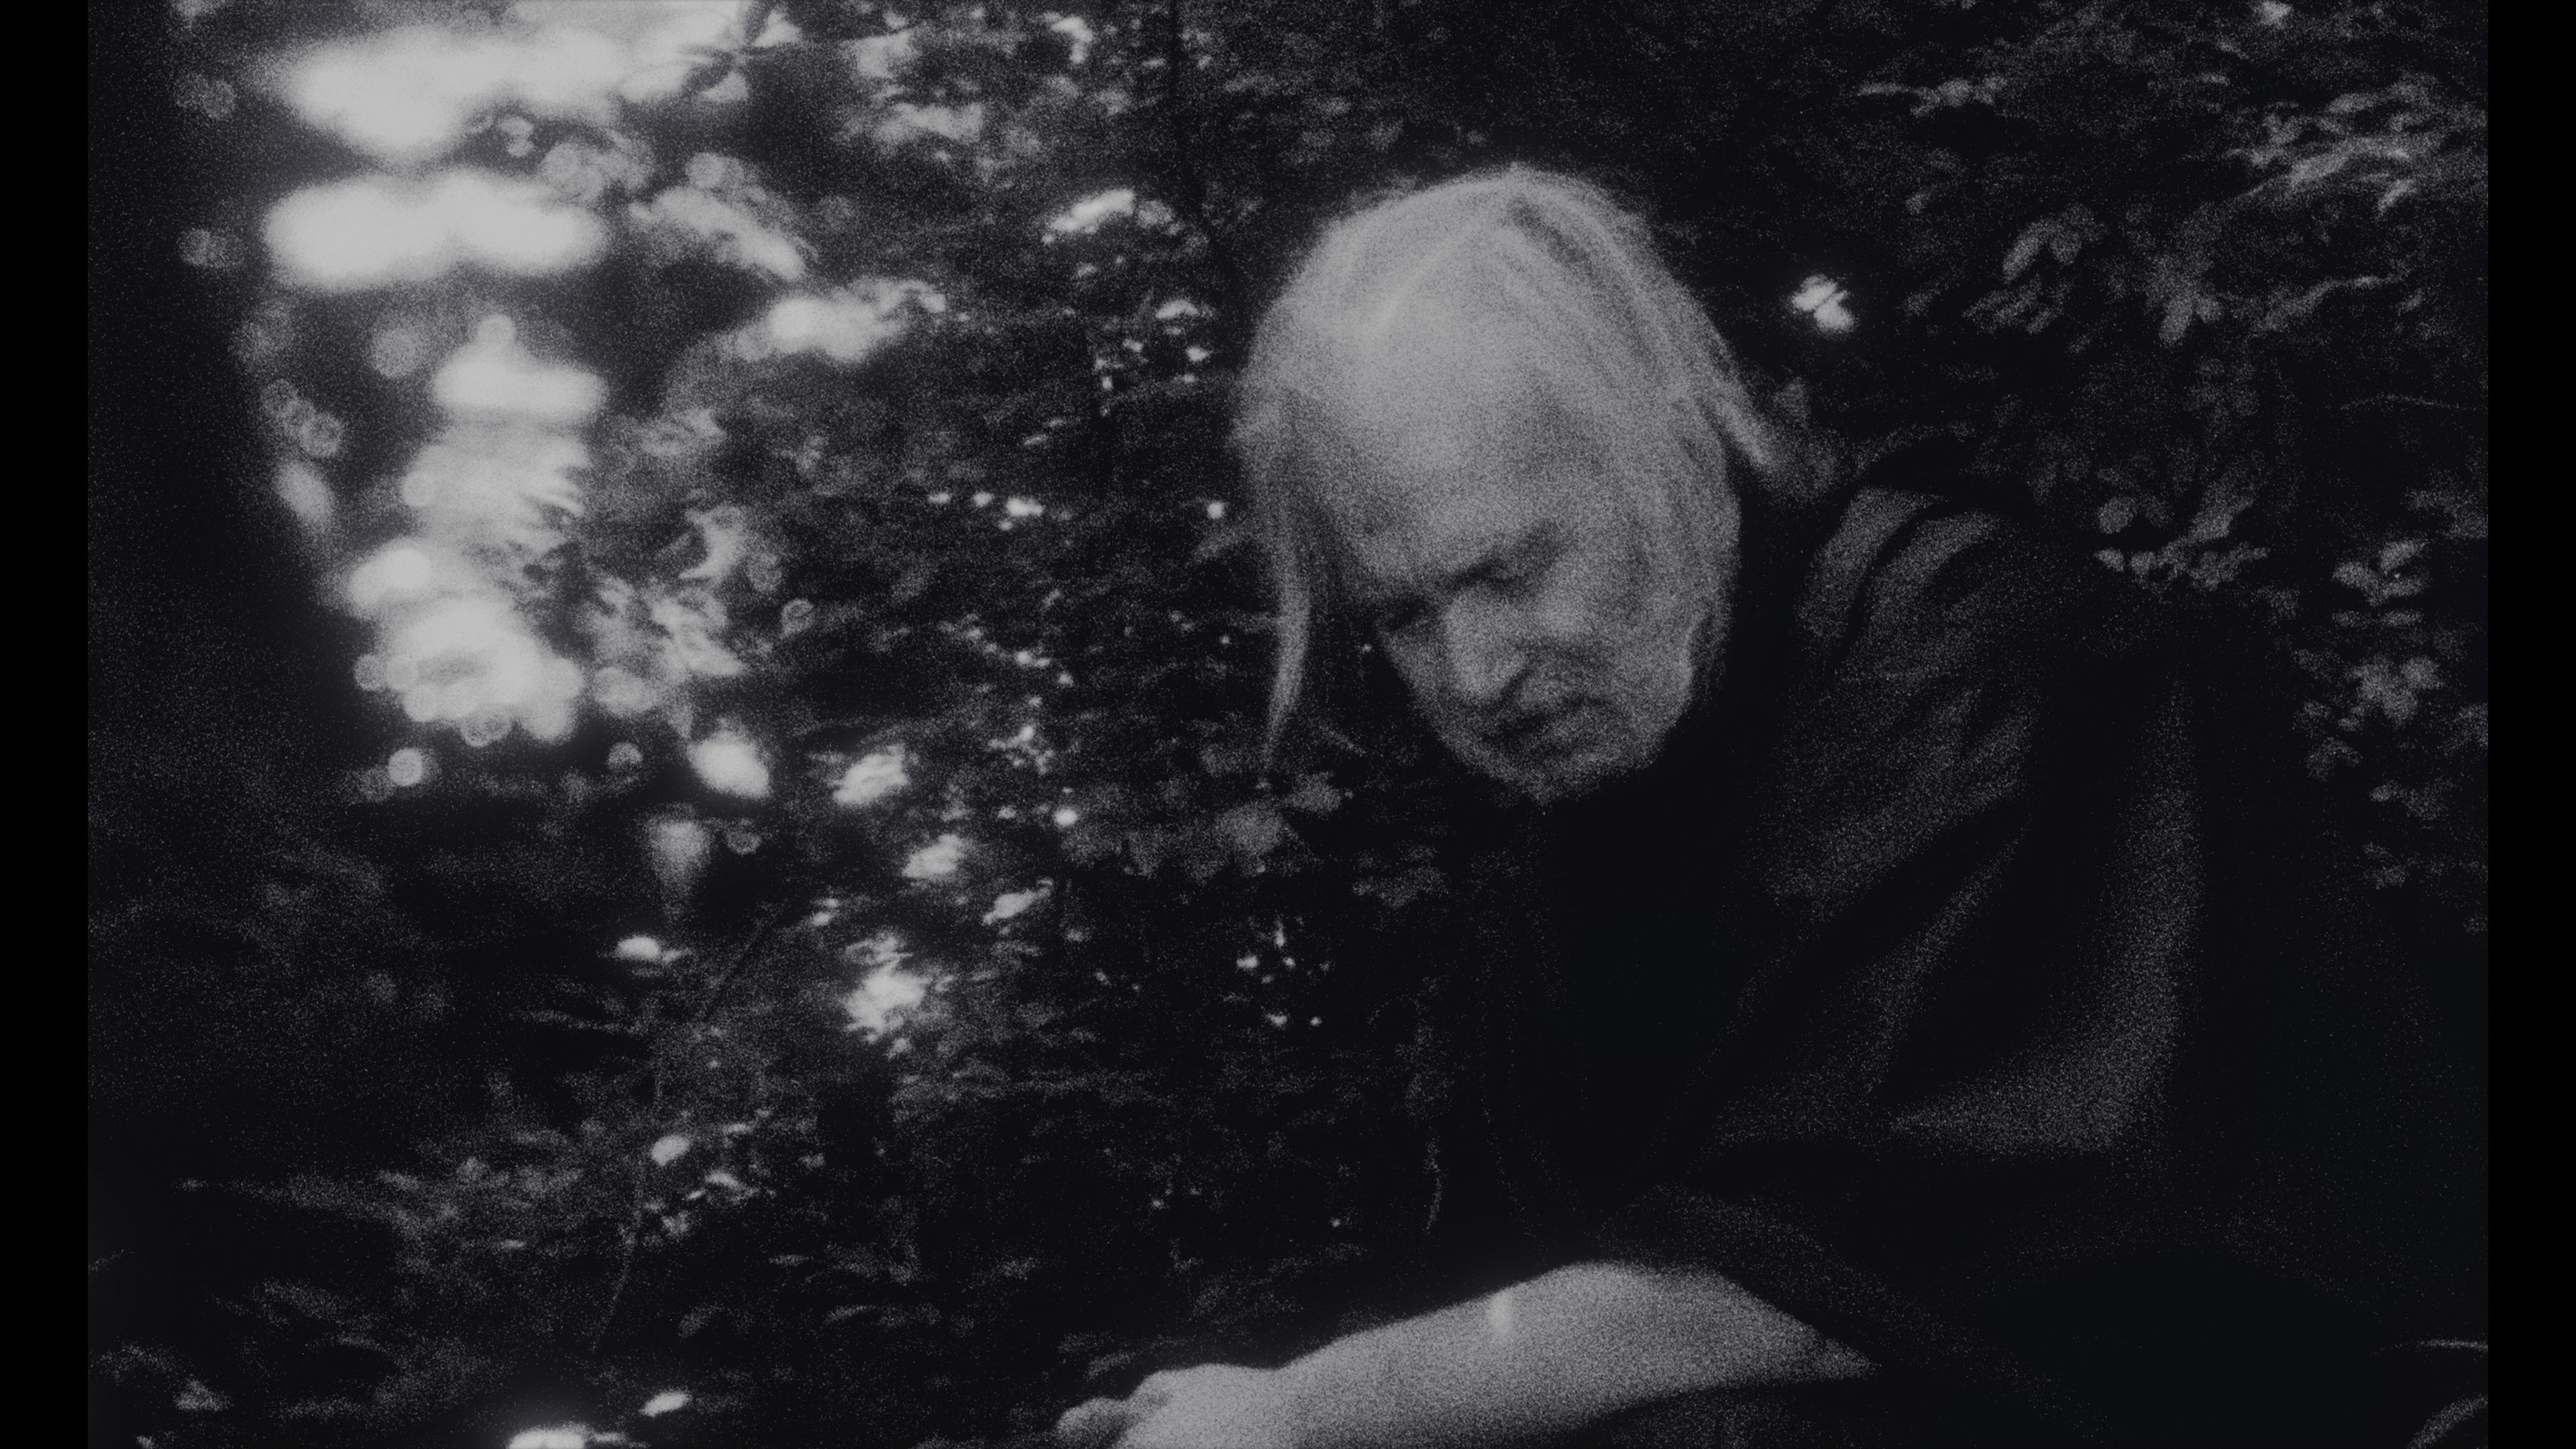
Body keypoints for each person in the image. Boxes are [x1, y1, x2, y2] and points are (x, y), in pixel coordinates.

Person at [1055, 167, 2484, 1448]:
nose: (1476, 674)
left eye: (1511, 572)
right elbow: (1517, 1316)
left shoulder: (1974, 666)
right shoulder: (1594, 828)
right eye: (1408, 616)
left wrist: (1310, 1411)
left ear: (1676, 448)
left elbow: (1814, 1288)